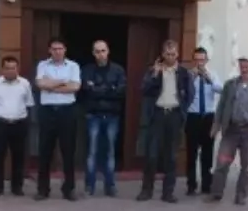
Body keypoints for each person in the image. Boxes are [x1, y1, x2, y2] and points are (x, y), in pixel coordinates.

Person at [208, 56, 248, 206]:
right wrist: (216, 125)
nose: (245, 69)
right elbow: (222, 105)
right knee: (222, 163)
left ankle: (241, 196)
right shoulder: (231, 85)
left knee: (247, 166)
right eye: (242, 66)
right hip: (231, 130)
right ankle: (216, 193)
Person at [139, 39, 192, 202]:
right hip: (158, 114)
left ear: (177, 54)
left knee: (171, 155)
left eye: (173, 54)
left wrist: (182, 111)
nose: (170, 57)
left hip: (174, 114)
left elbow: (190, 94)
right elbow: (144, 90)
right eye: (167, 54)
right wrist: (155, 74)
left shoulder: (183, 73)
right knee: (152, 154)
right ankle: (146, 190)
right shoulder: (154, 71)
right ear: (162, 54)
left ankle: (168, 192)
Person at [34, 38, 81, 201]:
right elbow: (40, 84)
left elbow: (75, 87)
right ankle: (42, 189)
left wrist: (51, 84)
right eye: (54, 49)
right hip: (47, 111)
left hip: (67, 111)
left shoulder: (73, 66)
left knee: (68, 151)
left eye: (60, 48)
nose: (57, 52)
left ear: (65, 50)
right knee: (45, 151)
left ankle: (69, 189)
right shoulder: (42, 65)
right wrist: (62, 82)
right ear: (49, 50)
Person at [80, 39, 126, 197]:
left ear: (108, 51)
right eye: (97, 51)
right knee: (92, 151)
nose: (100, 54)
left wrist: (97, 89)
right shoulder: (87, 70)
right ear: (93, 53)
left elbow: (120, 92)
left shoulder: (118, 70)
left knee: (110, 152)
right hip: (93, 115)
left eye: (103, 50)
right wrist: (108, 89)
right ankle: (89, 185)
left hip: (112, 115)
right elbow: (86, 90)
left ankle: (110, 185)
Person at [0, 55, 33, 197]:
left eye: (13, 68)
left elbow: (29, 104)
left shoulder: (24, 84)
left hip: (19, 123)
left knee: (18, 156)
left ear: (17, 69)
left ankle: (17, 187)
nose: (10, 71)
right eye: (7, 68)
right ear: (2, 69)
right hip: (1, 124)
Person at [186, 47, 221, 197]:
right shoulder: (187, 75)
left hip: (208, 117)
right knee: (191, 153)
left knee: (207, 152)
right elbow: (182, 90)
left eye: (202, 60)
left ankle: (206, 184)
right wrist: (191, 79)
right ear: (193, 60)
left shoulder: (212, 74)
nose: (200, 63)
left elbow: (221, 89)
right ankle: (191, 185)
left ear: (206, 60)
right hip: (192, 116)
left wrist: (209, 78)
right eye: (197, 59)